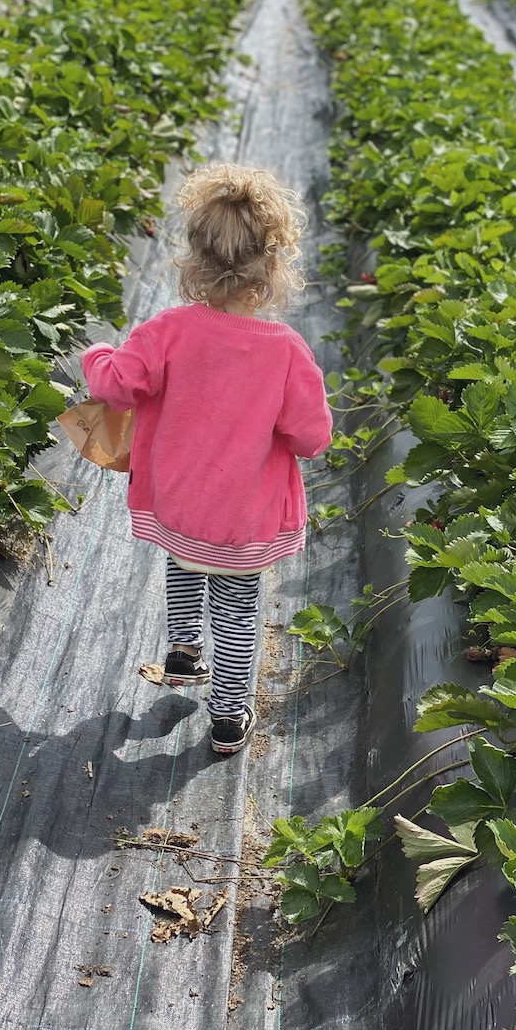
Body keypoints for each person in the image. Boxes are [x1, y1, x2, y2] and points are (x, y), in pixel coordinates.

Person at [82, 164, 333, 754]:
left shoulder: (167, 331)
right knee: (239, 605)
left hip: (178, 500)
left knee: (186, 560)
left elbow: (117, 385)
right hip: (243, 516)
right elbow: (310, 436)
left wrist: (95, 353)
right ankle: (227, 717)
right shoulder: (287, 353)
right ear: (272, 268)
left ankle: (182, 650)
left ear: (193, 262)